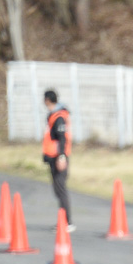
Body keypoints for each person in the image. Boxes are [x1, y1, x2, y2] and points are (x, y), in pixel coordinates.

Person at [42, 89, 73, 232]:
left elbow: (62, 138)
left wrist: (61, 157)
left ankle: (67, 222)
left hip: (59, 157)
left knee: (61, 189)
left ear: (47, 100)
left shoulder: (59, 117)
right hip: (53, 156)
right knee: (57, 189)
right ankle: (62, 220)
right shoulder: (53, 115)